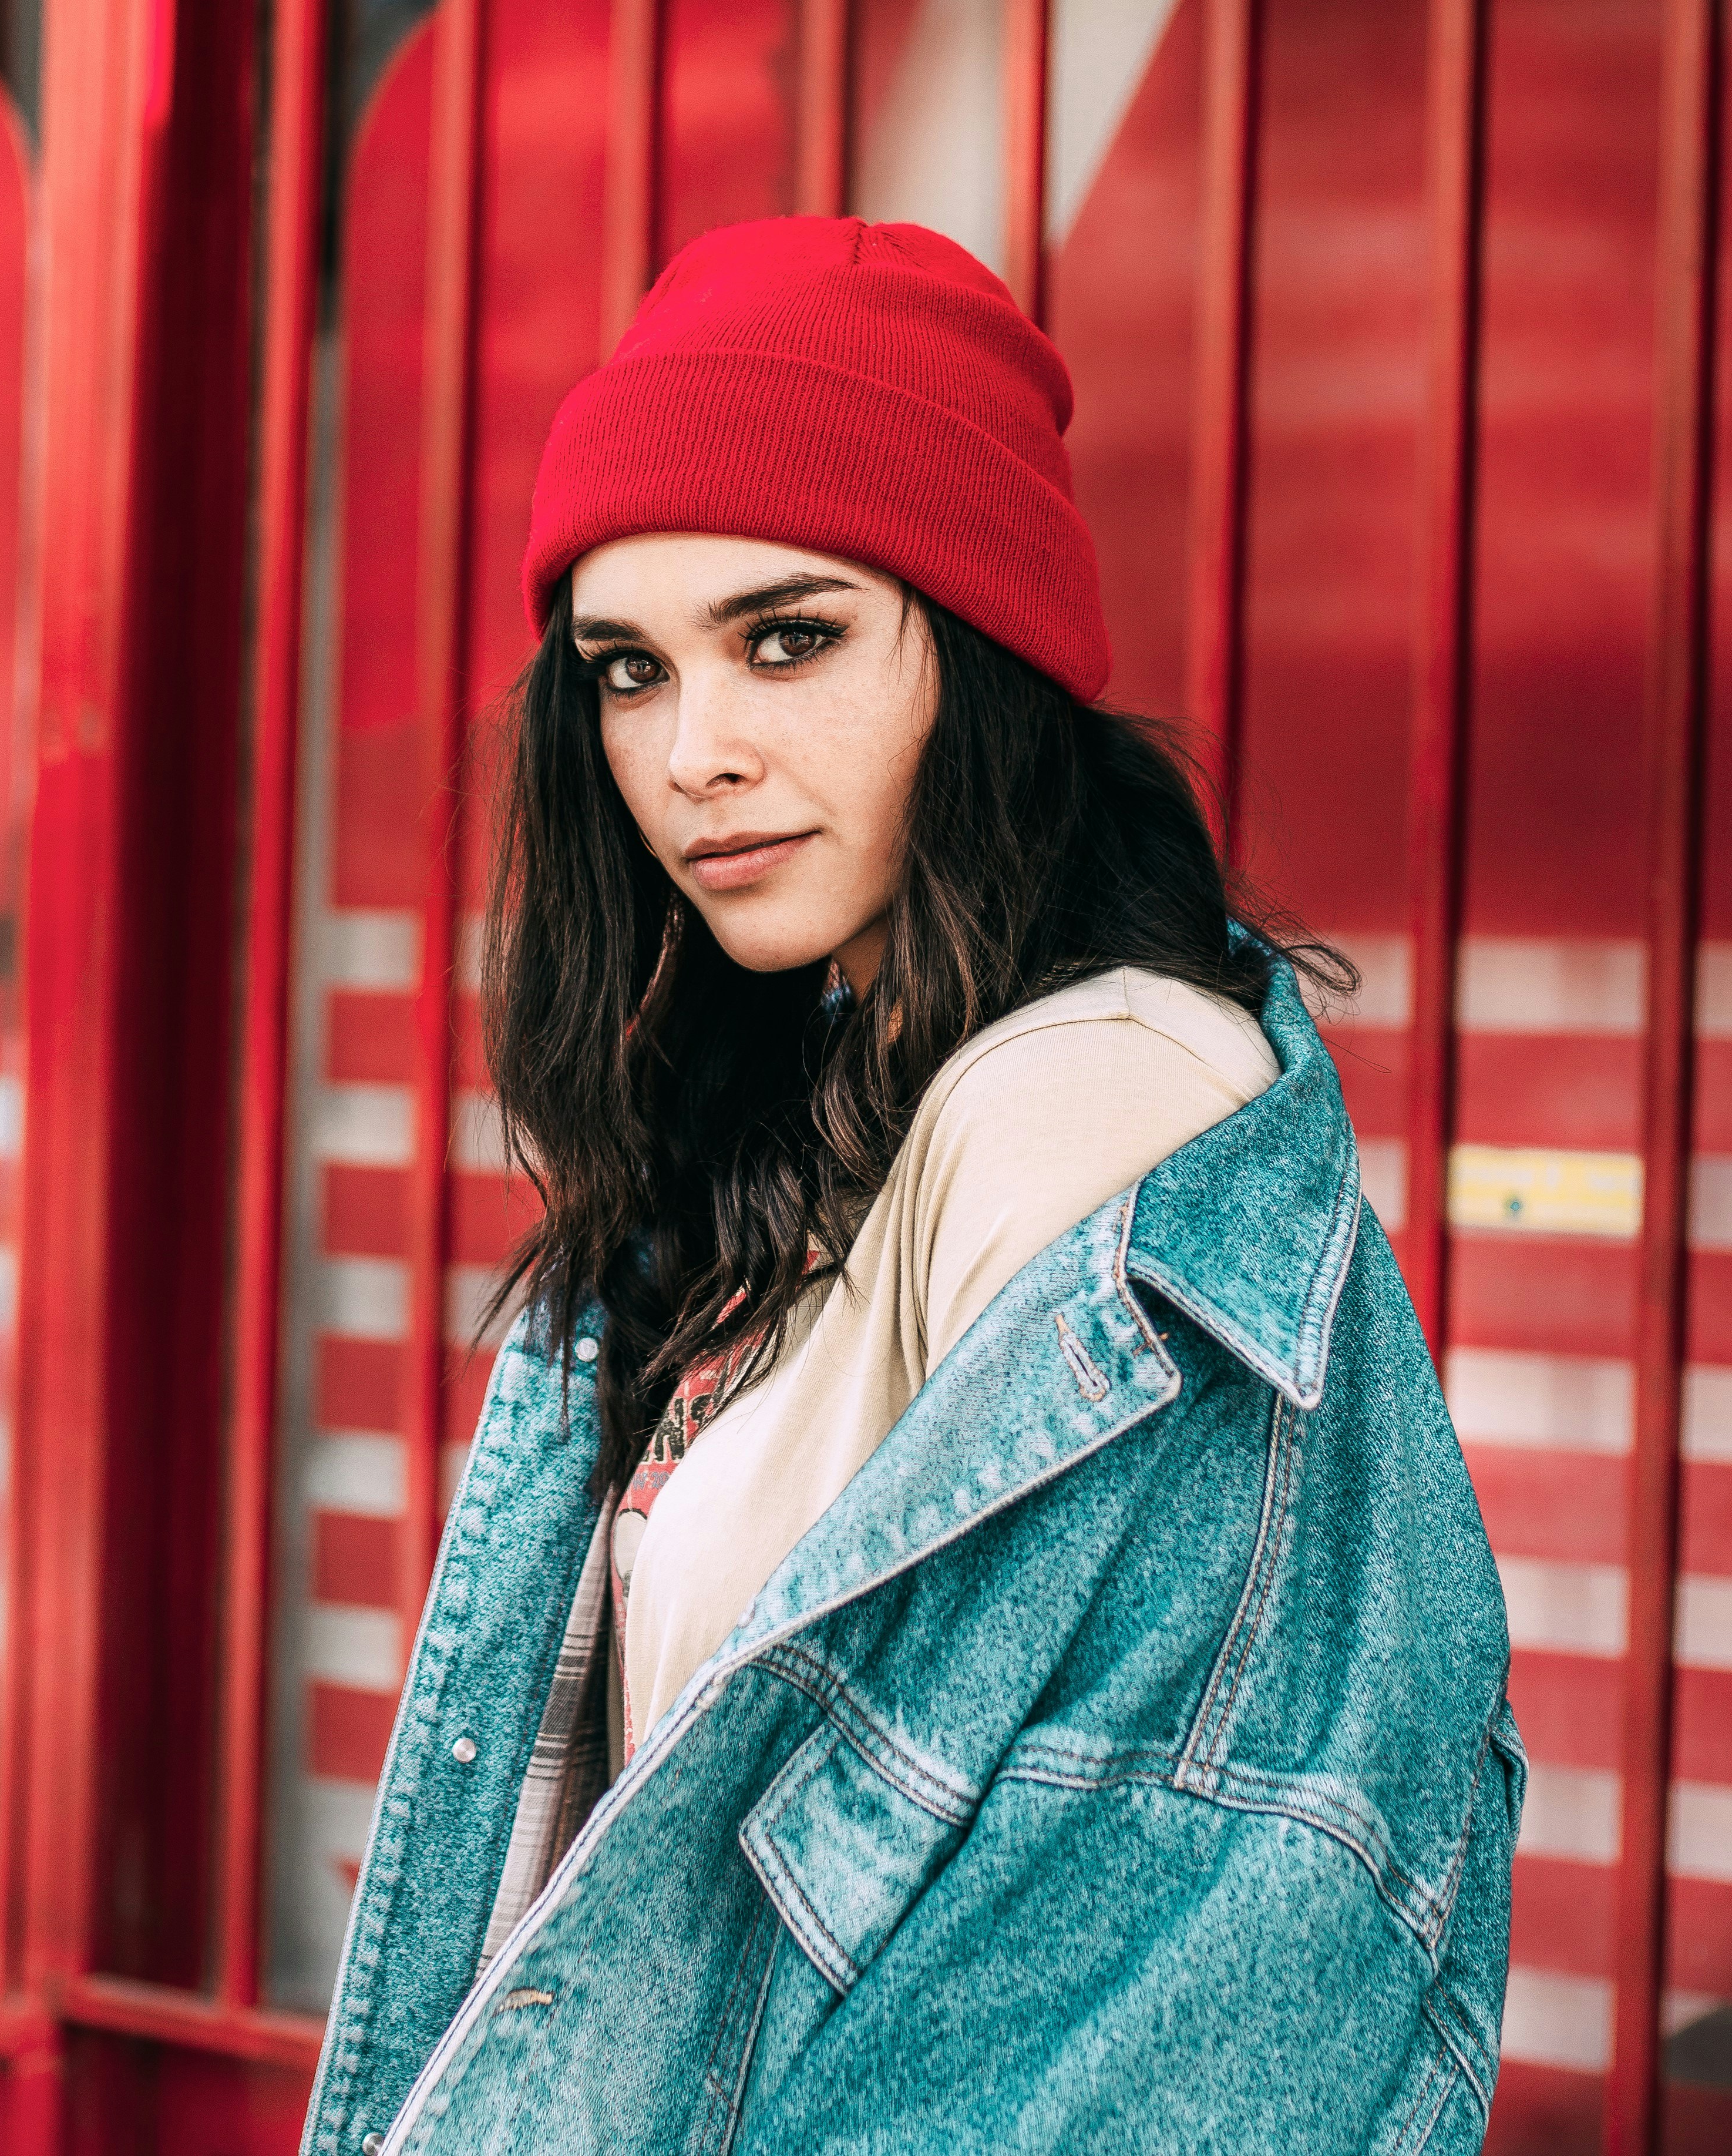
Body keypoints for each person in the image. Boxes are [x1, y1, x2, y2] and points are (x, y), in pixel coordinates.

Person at [300, 217, 1521, 2156]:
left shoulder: (1086, 1110)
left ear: (980, 642)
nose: (695, 755)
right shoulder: (815, 1103)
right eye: (630, 671)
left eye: (790, 639)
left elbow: (1145, 1990)